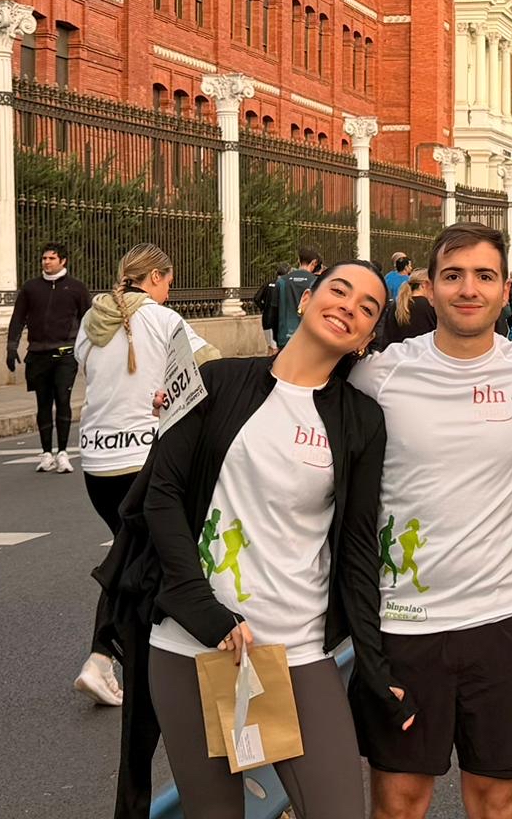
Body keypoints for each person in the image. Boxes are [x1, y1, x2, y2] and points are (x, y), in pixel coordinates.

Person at [99, 260, 408, 819]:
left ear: (367, 338)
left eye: (367, 308)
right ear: (306, 299)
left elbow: (359, 549)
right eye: (339, 291)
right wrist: (203, 611)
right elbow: (161, 497)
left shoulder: (361, 419)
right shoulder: (217, 382)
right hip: (193, 647)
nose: (349, 307)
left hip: (297, 650)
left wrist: (376, 666)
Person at [349, 222, 512, 819]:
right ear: (429, 287)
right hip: (406, 625)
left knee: (495, 803)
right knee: (400, 803)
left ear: (505, 288)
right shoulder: (378, 374)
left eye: (484, 276)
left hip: (506, 621)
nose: (469, 289)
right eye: (453, 275)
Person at [74, 243, 222, 708]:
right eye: (168, 282)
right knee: (139, 560)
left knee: (134, 557)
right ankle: (105, 659)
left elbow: (94, 373)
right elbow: (211, 365)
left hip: (96, 462)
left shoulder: (91, 319)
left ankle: (125, 660)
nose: (169, 291)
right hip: (141, 458)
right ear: (155, 277)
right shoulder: (162, 319)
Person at [5, 241, 93, 473]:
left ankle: (63, 453)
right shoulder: (31, 288)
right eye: (44, 258)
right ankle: (46, 454)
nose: (46, 262)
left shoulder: (76, 288)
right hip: (38, 354)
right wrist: (11, 347)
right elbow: (18, 318)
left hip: (65, 354)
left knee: (63, 400)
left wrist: (89, 351)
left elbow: (88, 320)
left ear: (63, 261)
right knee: (43, 403)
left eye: (51, 258)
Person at [263, 244, 322, 352]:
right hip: (309, 339)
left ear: (298, 260)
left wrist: (276, 339)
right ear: (314, 262)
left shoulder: (282, 282)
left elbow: (273, 313)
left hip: (285, 339)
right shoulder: (317, 283)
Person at [374, 268, 436, 352]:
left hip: (395, 355)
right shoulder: (427, 306)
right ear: (423, 285)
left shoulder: (396, 305)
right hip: (420, 356)